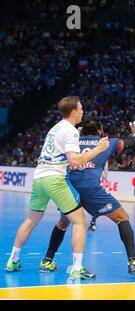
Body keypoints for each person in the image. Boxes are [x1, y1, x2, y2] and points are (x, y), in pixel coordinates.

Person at [5, 96, 109, 280]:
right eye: (81, 108)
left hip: (39, 178)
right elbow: (74, 161)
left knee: (30, 220)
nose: (83, 111)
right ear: (74, 111)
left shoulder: (55, 127)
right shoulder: (70, 131)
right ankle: (77, 268)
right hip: (55, 179)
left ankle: (13, 260)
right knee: (79, 221)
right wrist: (99, 149)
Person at [39, 118, 135, 277]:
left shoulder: (73, 141)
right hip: (91, 188)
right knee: (122, 218)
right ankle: (133, 262)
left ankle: (47, 260)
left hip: (69, 187)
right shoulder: (106, 142)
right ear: (99, 132)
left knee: (64, 222)